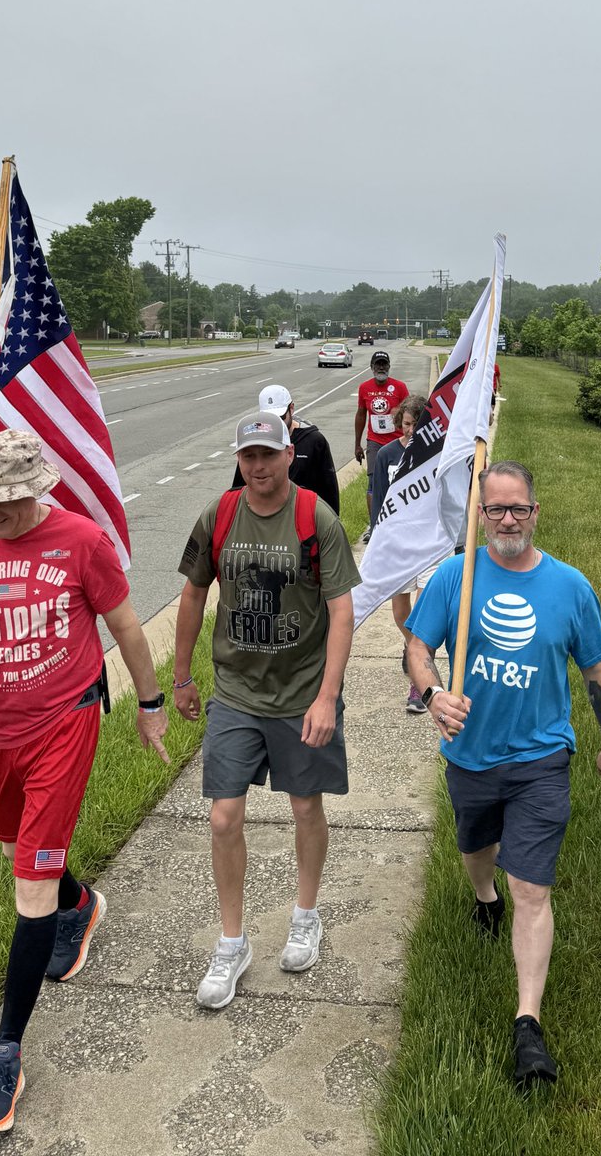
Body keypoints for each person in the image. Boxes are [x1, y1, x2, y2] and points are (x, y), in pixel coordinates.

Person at [0, 429, 169, 1136]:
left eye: (3, 502)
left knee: (28, 887)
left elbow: (125, 628)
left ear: (35, 491)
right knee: (21, 861)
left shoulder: (82, 541)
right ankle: (81, 904)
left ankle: (5, 1055)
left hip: (65, 720)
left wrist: (150, 707)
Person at [405, 460, 601, 1089]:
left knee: (533, 888)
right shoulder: (457, 576)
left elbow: (597, 673)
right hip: (470, 753)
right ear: (481, 516)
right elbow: (415, 648)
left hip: (541, 757)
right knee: (477, 849)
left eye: (518, 509)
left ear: (535, 512)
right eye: (496, 509)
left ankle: (528, 1024)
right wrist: (431, 693)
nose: (508, 519)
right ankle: (483, 898)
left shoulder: (570, 588)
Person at [173, 410, 360, 1010]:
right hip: (235, 693)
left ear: (287, 455)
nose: (258, 466)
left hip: (302, 691)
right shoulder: (219, 515)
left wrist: (328, 695)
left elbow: (341, 611)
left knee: (306, 806)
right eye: (247, 456)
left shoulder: (315, 518)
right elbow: (194, 594)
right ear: (238, 460)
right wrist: (181, 677)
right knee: (223, 818)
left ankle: (306, 914)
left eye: (267, 455)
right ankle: (233, 942)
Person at [367, 393, 435, 714]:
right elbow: (379, 500)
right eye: (406, 424)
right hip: (397, 543)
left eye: (416, 425)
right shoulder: (386, 455)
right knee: (400, 611)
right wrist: (379, 541)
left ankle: (419, 681)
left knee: (424, 611)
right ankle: (413, 648)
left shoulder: (435, 455)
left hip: (429, 543)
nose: (410, 431)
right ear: (399, 424)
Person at [232, 383, 340, 514]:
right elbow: (238, 489)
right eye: (271, 419)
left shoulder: (314, 441)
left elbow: (329, 490)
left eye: (280, 417)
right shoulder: (254, 443)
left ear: (292, 408)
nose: (277, 424)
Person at [354, 351, 409, 535]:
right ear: (371, 367)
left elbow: (411, 413)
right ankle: (374, 525)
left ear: (389, 367)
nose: (381, 367)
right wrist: (357, 444)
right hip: (375, 442)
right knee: (373, 483)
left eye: (384, 364)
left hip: (397, 441)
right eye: (377, 364)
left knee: (399, 481)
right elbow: (361, 415)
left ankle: (399, 520)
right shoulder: (364, 388)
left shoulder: (399, 387)